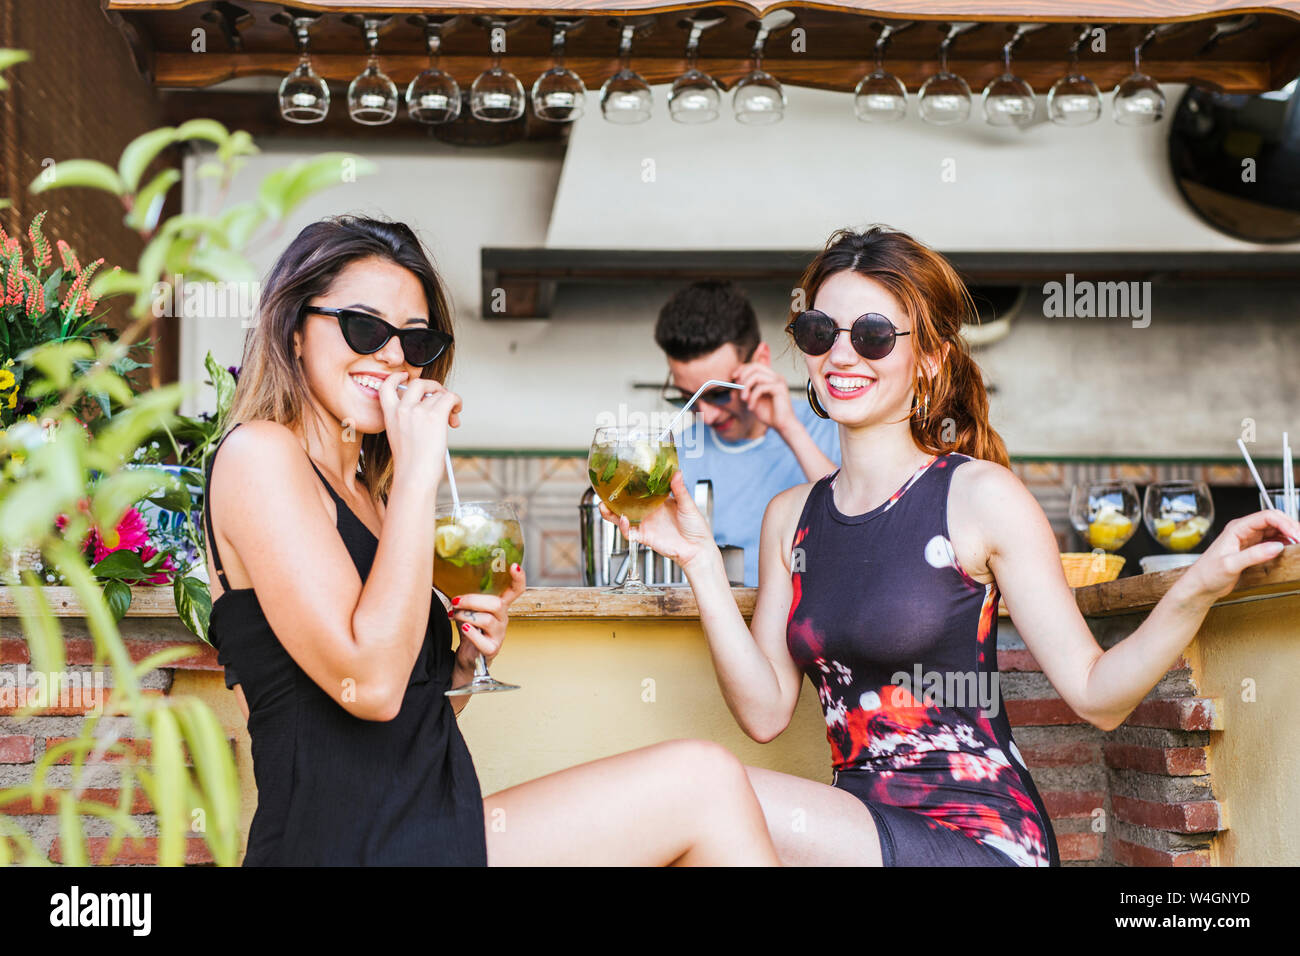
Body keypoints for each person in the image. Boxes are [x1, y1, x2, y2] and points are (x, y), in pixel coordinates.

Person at [605, 225, 1300, 866]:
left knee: (698, 784)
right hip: (865, 827)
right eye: (821, 331)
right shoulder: (790, 518)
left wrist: (1200, 583)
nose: (841, 354)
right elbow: (764, 714)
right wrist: (698, 560)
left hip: (981, 837)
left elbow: (1098, 697)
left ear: (929, 360)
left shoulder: (979, 496)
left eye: (874, 335)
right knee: (708, 807)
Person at [203, 215, 779, 866]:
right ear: (295, 329)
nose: (391, 356)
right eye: (364, 327)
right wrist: (421, 469)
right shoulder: (260, 455)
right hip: (345, 846)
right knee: (702, 783)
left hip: (425, 825)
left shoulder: (371, 494)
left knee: (708, 780)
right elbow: (367, 688)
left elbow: (404, 718)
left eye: (413, 341)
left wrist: (464, 666)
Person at [655, 280, 840, 586]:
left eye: (718, 394)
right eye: (687, 398)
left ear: (760, 362)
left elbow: (862, 521)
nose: (707, 415)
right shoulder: (677, 454)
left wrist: (788, 429)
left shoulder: (832, 424)